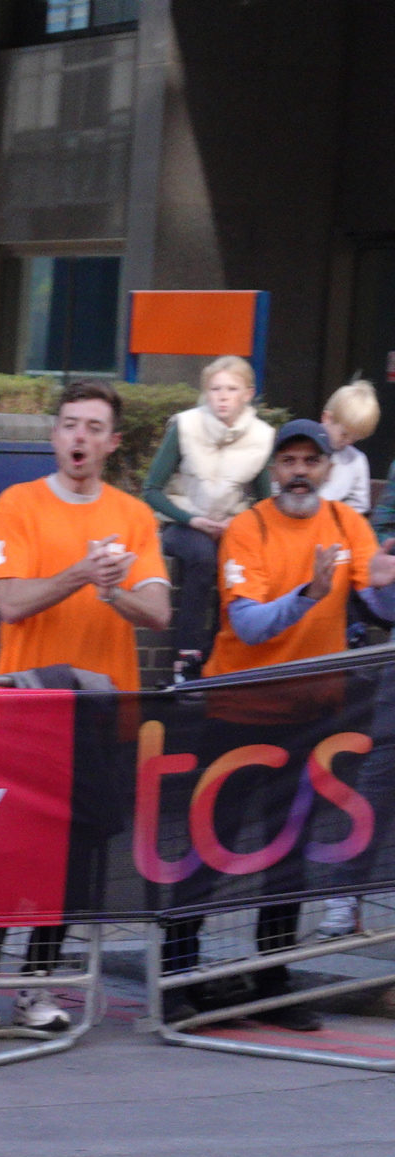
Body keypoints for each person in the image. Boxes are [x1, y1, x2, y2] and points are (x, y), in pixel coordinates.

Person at [163, 421, 395, 1025]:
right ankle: (178, 975)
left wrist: (390, 583)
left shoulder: (349, 526)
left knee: (288, 850)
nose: (298, 471)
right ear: (273, 473)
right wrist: (310, 593)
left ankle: (273, 978)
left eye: (309, 461)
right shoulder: (249, 528)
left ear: (325, 469)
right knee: (211, 845)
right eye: (288, 461)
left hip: (312, 714)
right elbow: (249, 626)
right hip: (238, 710)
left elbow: (376, 601)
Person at [0, 379, 171, 1031]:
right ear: (55, 434)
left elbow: (161, 611)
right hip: (25, 714)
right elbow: (12, 602)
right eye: (68, 424)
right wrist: (82, 574)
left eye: (92, 427)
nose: (78, 436)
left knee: (73, 862)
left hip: (97, 719)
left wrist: (115, 593)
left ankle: (37, 986)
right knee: (7, 858)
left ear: (112, 443)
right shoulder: (17, 505)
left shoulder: (134, 516)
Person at [142, 355, 273, 675]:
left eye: (232, 388)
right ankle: (186, 655)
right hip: (183, 522)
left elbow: (265, 501)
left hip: (232, 525)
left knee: (234, 566)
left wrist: (237, 523)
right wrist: (191, 519)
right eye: (215, 389)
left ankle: (220, 653)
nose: (223, 396)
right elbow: (152, 490)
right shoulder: (185, 426)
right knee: (202, 557)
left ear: (248, 393)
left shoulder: (262, 436)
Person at [322, 381, 380, 517]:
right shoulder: (304, 446)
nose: (348, 442)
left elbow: (359, 505)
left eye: (355, 439)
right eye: (344, 434)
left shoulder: (357, 460)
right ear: (327, 418)